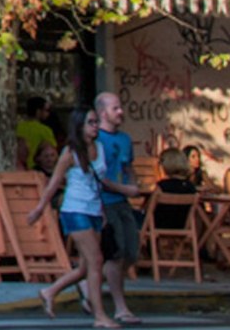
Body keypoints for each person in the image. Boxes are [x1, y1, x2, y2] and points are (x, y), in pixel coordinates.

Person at [27, 108, 122, 329]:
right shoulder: (70, 152)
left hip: (94, 210)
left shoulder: (99, 147)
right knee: (96, 261)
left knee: (85, 267)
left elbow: (100, 182)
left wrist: (104, 211)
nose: (95, 126)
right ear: (79, 126)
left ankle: (50, 291)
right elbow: (54, 183)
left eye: (96, 122)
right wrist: (40, 208)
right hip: (75, 209)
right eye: (90, 122)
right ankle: (99, 316)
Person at [94, 91, 143, 325]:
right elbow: (99, 177)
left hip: (123, 202)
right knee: (116, 254)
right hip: (105, 202)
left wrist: (133, 184)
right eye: (115, 108)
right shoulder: (97, 140)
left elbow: (128, 167)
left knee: (132, 252)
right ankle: (120, 307)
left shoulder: (124, 139)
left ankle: (89, 285)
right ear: (103, 113)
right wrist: (125, 190)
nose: (120, 112)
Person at [153, 148, 198, 231]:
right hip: (182, 226)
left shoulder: (162, 186)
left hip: (158, 226)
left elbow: (149, 208)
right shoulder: (191, 187)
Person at [16, 96, 58, 171]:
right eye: (46, 110)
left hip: (20, 166)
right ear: (38, 112)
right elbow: (52, 150)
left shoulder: (17, 127)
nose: (48, 114)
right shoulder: (45, 130)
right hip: (38, 168)